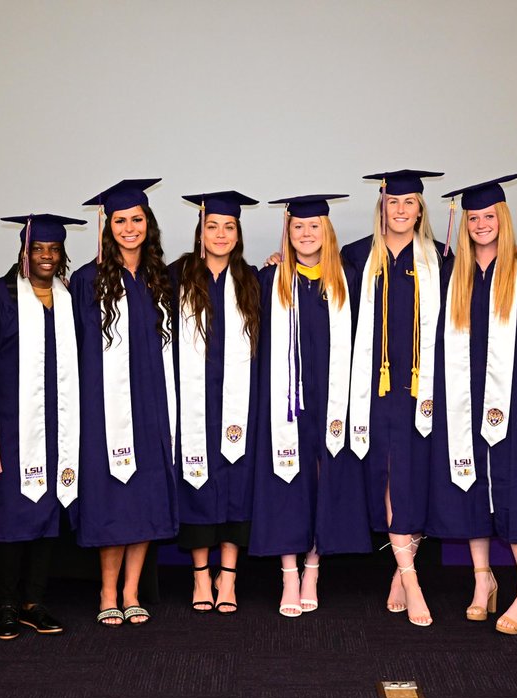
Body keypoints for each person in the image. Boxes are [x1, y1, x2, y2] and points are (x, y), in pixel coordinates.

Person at [427, 175, 517, 634]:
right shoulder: (452, 274)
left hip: (514, 397)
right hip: (462, 397)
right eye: (473, 218)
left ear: (503, 219)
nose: (480, 224)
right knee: (470, 480)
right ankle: (483, 580)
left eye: (488, 217)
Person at [251, 194, 371, 617]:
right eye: (298, 227)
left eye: (314, 226)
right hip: (286, 402)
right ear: (287, 231)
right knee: (286, 477)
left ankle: (313, 567)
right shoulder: (271, 280)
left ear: (328, 231)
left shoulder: (347, 279)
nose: (306, 234)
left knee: (323, 477)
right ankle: (288, 572)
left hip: (332, 397)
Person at [341, 169, 450, 627]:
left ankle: (400, 573)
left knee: (417, 478)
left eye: (409, 203)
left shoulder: (443, 259)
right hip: (374, 390)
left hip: (425, 388)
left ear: (421, 208)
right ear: (381, 207)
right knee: (387, 478)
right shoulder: (353, 256)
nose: (401, 210)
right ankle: (411, 577)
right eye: (393, 203)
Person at [0, 213, 84, 639]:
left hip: (59, 423)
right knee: (11, 513)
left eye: (53, 249)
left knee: (47, 510)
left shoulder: (70, 298)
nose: (46, 256)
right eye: (37, 249)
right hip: (11, 423)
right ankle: (5, 602)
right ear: (23, 252)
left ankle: (35, 600)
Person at [73, 179, 177, 627]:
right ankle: (108, 590)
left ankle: (133, 591)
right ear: (107, 226)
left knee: (146, 498)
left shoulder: (160, 277)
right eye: (120, 220)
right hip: (106, 408)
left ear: (147, 224)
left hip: (152, 403)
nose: (129, 228)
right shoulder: (86, 280)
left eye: (137, 219)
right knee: (113, 498)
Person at [171, 191, 261, 615]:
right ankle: (200, 577)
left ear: (238, 233)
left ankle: (229, 578)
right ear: (200, 232)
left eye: (229, 226)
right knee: (197, 481)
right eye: (213, 226)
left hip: (239, 404)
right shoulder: (176, 278)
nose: (221, 234)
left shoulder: (253, 279)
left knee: (235, 484)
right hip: (194, 403)